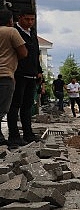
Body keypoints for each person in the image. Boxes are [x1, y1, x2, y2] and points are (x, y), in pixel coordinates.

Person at [7, 10, 43, 148]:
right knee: (14, 106)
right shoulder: (14, 31)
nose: (30, 22)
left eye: (32, 19)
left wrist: (39, 71)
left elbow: (36, 54)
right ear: (20, 18)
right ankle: (14, 135)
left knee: (27, 106)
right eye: (27, 19)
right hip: (18, 74)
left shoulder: (32, 33)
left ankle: (28, 134)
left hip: (32, 75)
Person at [0, 9, 27, 145]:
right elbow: (23, 52)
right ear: (10, 20)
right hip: (4, 75)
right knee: (2, 109)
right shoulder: (11, 31)